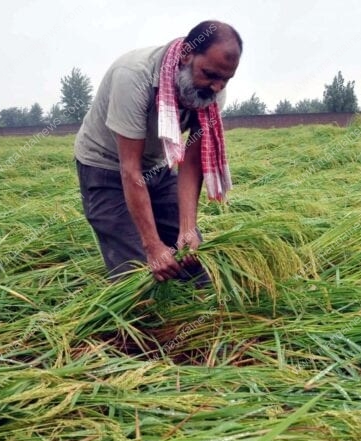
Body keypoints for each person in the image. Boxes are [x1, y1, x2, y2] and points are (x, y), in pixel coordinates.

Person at [74, 20, 241, 283]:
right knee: (138, 275)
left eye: (225, 79)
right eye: (209, 74)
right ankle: (144, 318)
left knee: (194, 260)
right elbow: (130, 169)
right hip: (105, 167)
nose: (217, 87)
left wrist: (187, 229)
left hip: (157, 166)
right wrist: (152, 245)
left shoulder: (212, 94)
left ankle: (196, 318)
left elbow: (191, 164)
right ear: (187, 54)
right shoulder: (133, 77)